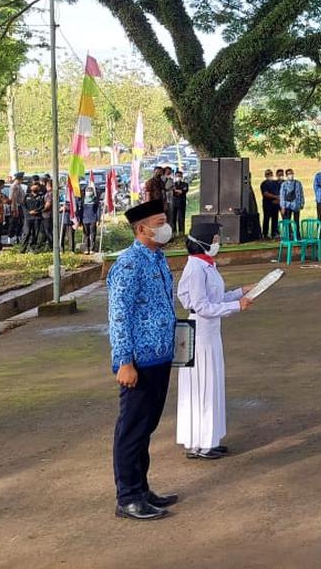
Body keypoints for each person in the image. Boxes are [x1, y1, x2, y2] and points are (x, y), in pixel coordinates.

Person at [107, 199, 180, 520]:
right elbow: (118, 316)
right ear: (142, 229)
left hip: (160, 356)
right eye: (160, 222)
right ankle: (127, 497)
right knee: (132, 430)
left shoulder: (158, 258)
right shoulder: (128, 264)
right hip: (137, 360)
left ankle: (142, 488)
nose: (166, 227)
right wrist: (123, 361)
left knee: (146, 428)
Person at [176, 222, 254, 461]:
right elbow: (202, 306)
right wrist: (235, 307)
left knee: (211, 385)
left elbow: (216, 298)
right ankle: (198, 444)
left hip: (208, 332)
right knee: (200, 387)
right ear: (204, 241)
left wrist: (241, 292)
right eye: (216, 238)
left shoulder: (206, 265)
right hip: (198, 332)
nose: (218, 243)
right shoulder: (196, 268)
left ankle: (209, 439)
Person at [19, 181, 46, 253]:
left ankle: (32, 247)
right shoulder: (26, 196)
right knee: (26, 233)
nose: (35, 187)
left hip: (37, 217)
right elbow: (23, 206)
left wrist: (36, 211)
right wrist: (29, 212)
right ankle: (22, 249)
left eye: (37, 186)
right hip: (28, 218)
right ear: (30, 187)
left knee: (35, 233)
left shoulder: (41, 196)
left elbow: (42, 206)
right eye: (34, 185)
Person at [259, 169, 280, 239]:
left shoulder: (275, 183)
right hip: (267, 204)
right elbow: (265, 194)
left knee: (275, 219)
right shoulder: (264, 184)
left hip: (275, 204)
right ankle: (265, 234)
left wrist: (278, 199)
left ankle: (274, 233)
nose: (270, 175)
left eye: (270, 174)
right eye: (268, 174)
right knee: (266, 219)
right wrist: (276, 197)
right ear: (265, 175)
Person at [82, 183, 102, 254]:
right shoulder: (83, 200)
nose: (88, 192)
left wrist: (98, 220)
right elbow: (81, 210)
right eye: (87, 191)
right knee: (86, 234)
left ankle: (92, 249)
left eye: (90, 191)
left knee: (93, 234)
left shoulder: (95, 200)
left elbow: (98, 210)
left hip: (93, 219)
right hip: (85, 219)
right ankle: (86, 248)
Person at [7, 173, 26, 245]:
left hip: (20, 206)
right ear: (19, 178)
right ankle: (10, 238)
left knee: (20, 223)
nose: (22, 180)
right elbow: (13, 199)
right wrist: (14, 209)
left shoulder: (19, 186)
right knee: (13, 223)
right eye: (22, 178)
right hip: (15, 206)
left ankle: (18, 237)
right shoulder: (14, 186)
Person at [172, 170, 190, 236]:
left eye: (179, 176)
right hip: (173, 203)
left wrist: (176, 190)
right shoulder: (172, 184)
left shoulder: (185, 184)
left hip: (182, 203)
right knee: (173, 218)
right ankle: (173, 232)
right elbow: (172, 192)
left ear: (182, 176)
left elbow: (183, 191)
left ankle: (181, 232)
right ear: (174, 176)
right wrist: (177, 191)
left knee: (181, 218)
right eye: (177, 176)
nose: (178, 177)